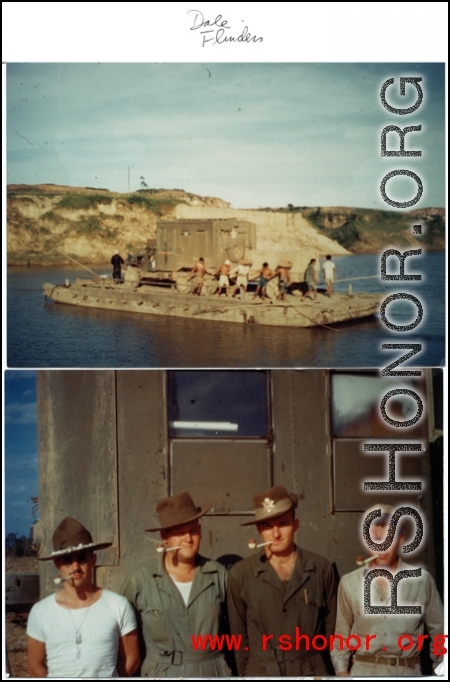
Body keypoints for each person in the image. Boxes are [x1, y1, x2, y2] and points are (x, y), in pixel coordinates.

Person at [227, 485, 337, 677]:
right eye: (267, 526)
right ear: (258, 530)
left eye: (283, 524)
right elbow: (239, 638)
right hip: (261, 672)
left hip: (311, 671)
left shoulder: (320, 568)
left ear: (295, 524)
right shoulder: (242, 574)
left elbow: (331, 631)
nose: (275, 534)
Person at [120, 491, 232, 677]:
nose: (188, 539)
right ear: (165, 535)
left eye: (193, 531)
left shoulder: (218, 574)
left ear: (200, 531)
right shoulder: (140, 580)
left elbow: (235, 633)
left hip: (211, 672)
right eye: (180, 532)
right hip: (161, 673)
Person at [331, 504, 444, 677]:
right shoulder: (349, 583)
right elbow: (341, 638)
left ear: (400, 539)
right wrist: (342, 672)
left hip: (408, 673)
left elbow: (441, 635)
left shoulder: (422, 581)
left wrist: (443, 672)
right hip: (363, 673)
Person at [27, 517, 140, 678]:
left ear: (93, 560)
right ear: (57, 564)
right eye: (67, 560)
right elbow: (34, 666)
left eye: (82, 559)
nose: (75, 567)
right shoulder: (41, 611)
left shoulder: (118, 605)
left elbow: (132, 660)